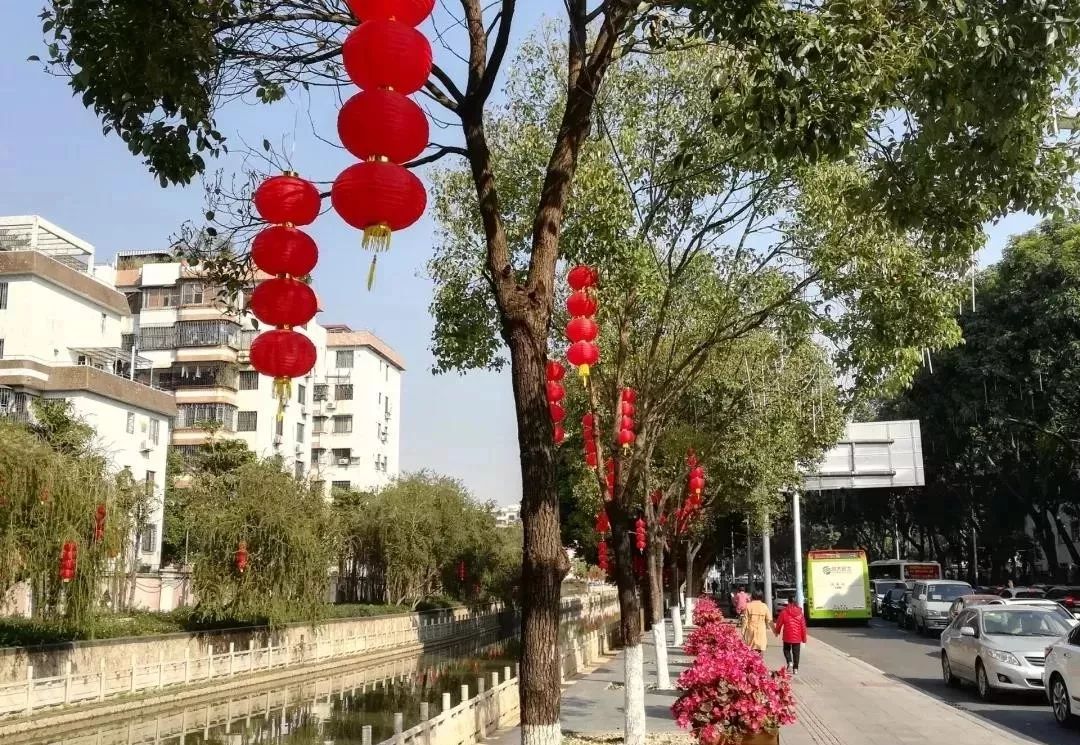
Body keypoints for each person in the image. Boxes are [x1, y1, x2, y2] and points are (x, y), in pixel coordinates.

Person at [774, 599, 808, 674]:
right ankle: (795, 669)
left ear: (788, 602)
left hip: (787, 635)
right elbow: (803, 627)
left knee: (786, 650)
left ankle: (789, 662)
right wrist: (804, 638)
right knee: (796, 653)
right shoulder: (800, 613)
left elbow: (779, 623)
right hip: (797, 637)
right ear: (796, 603)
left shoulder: (784, 612)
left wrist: (777, 631)